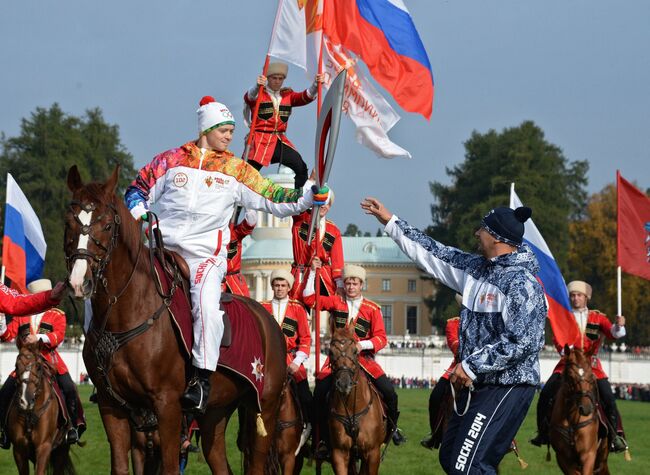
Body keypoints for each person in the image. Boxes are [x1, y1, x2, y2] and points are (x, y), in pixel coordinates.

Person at [124, 96, 330, 413]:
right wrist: (141, 215)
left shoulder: (236, 169)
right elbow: (136, 189)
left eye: (232, 130)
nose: (229, 136)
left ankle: (202, 379)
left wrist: (308, 196)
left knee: (207, 306)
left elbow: (274, 196)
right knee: (117, 285)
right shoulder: (170, 160)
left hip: (204, 256)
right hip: (160, 249)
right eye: (224, 129)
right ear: (207, 127)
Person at [362, 197, 546, 474]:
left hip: (508, 385)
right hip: (479, 384)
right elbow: (433, 252)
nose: (477, 233)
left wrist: (471, 365)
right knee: (450, 458)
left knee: (466, 466)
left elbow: (523, 341)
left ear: (496, 238)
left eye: (482, 229)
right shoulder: (474, 268)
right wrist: (391, 222)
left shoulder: (522, 284)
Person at [306, 261, 406, 457]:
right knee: (319, 393)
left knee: (389, 392)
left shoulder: (372, 309)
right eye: (348, 283)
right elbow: (310, 299)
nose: (351, 287)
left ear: (362, 285)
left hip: (364, 360)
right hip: (337, 361)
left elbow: (381, 338)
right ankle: (321, 439)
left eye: (355, 283)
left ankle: (392, 430)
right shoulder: (336, 302)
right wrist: (312, 273)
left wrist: (362, 345)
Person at [530, 280, 628, 452]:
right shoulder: (563, 317)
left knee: (608, 398)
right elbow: (557, 340)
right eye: (573, 296)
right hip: (567, 365)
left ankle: (614, 437)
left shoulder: (598, 318)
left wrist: (619, 325)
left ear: (586, 298)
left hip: (593, 367)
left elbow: (614, 334)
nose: (575, 299)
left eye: (579, 295)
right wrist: (566, 354)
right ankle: (543, 433)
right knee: (545, 394)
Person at [0, 279, 68, 448]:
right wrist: (1, 321)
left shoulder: (57, 314)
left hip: (48, 360)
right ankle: (4, 430)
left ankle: (73, 425)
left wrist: (39, 338)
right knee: (5, 391)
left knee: (69, 388)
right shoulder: (20, 315)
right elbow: (7, 335)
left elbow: (58, 336)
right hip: (26, 361)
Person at [244, 62, 324, 188]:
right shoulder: (260, 93)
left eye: (280, 78)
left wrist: (315, 84)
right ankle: (236, 205)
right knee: (247, 174)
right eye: (274, 78)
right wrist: (256, 86)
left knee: (301, 167)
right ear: (268, 78)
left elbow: (305, 97)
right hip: (260, 141)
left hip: (279, 140)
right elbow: (249, 97)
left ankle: (299, 201)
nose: (277, 81)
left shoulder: (288, 95)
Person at [261, 269, 314, 448]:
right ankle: (246, 432)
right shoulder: (262, 307)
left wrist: (296, 362)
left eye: (283, 285)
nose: (280, 288)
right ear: (272, 287)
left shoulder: (297, 308)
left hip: (291, 361)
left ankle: (308, 427)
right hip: (266, 362)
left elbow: (306, 339)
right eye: (276, 285)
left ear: (289, 287)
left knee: (306, 397)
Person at [421, 297, 461, 450]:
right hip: (458, 366)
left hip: (484, 367)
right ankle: (435, 435)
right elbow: (454, 343)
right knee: (436, 396)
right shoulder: (453, 323)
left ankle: (508, 439)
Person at [290, 190, 344, 301]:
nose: (324, 206)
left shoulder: (334, 230)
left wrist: (340, 284)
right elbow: (297, 203)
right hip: (301, 273)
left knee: (334, 303)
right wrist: (310, 182)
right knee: (296, 307)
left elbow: (337, 260)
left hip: (323, 275)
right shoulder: (301, 219)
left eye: (327, 203)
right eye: (321, 202)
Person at [222, 209, 257, 297]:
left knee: (243, 307)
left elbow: (249, 224)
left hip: (233, 281)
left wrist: (248, 206)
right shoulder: (209, 234)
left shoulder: (235, 232)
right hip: (212, 277)